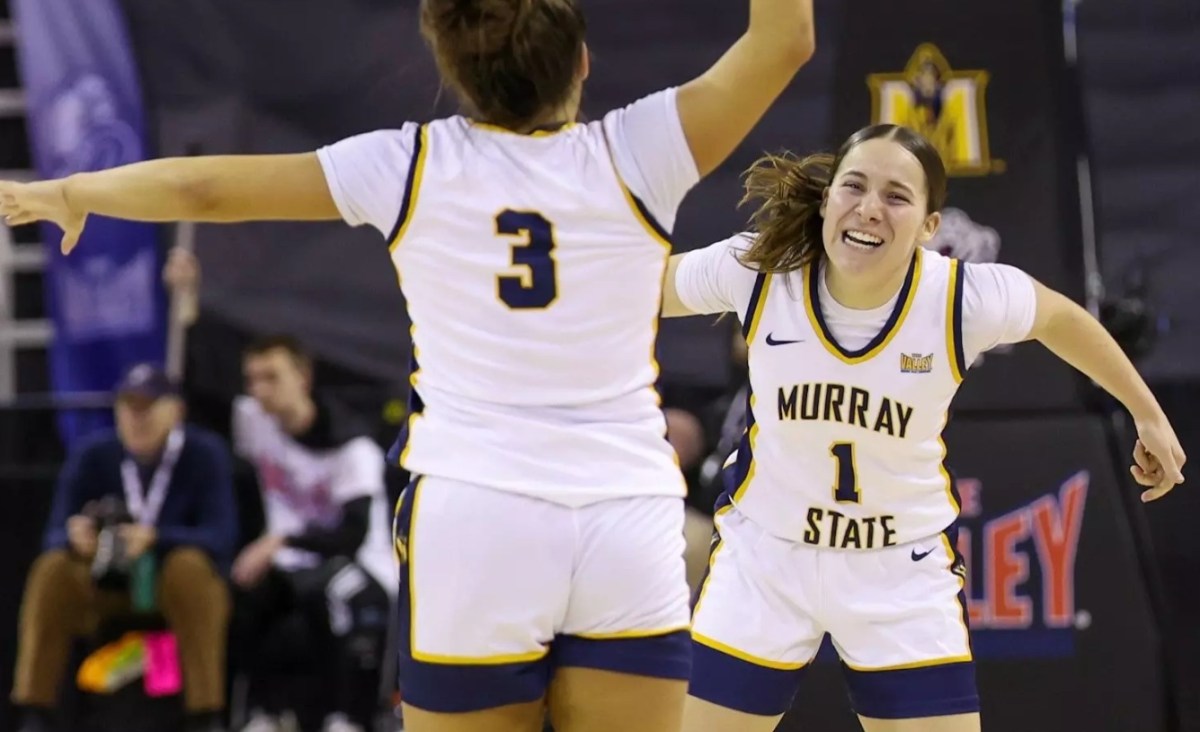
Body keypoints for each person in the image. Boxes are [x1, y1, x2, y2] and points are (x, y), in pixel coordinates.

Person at [0, 0, 818, 728]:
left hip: (476, 512)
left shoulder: (411, 165)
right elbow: (784, 40)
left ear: (452, 71)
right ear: (581, 63)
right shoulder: (637, 150)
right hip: (621, 516)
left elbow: (206, 192)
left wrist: (74, 192)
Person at [658, 123, 1187, 732]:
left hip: (897, 567)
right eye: (854, 186)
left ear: (930, 225)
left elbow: (1060, 318)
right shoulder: (760, 267)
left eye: (896, 196)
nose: (869, 208)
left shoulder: (959, 297)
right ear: (827, 198)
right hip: (768, 558)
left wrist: (1148, 413)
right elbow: (635, 293)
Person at [12, 364, 238, 732]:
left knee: (190, 568)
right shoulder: (93, 454)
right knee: (52, 568)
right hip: (107, 583)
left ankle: (205, 715)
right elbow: (52, 533)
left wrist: (156, 538)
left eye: (148, 407)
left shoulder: (204, 454)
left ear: (176, 411)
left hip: (169, 587)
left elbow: (222, 537)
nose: (137, 417)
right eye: (128, 407)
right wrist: (75, 537)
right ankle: (35, 713)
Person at [224, 335, 394, 732]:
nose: (259, 391)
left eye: (271, 377)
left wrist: (283, 540)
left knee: (341, 595)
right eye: (252, 379)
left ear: (303, 378)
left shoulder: (353, 448)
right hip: (289, 559)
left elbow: (353, 533)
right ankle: (262, 713)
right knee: (244, 591)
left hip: (357, 560)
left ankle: (350, 718)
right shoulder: (251, 419)